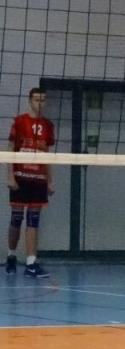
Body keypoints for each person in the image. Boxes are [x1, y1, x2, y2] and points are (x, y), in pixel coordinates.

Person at [6, 87, 55, 279]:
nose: (40, 103)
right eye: (36, 99)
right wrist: (10, 176)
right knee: (16, 219)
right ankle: (11, 256)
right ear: (30, 101)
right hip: (20, 177)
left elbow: (48, 155)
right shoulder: (19, 121)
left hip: (39, 179)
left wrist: (50, 180)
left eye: (43, 100)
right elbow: (10, 149)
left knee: (34, 220)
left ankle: (31, 263)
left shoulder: (48, 125)